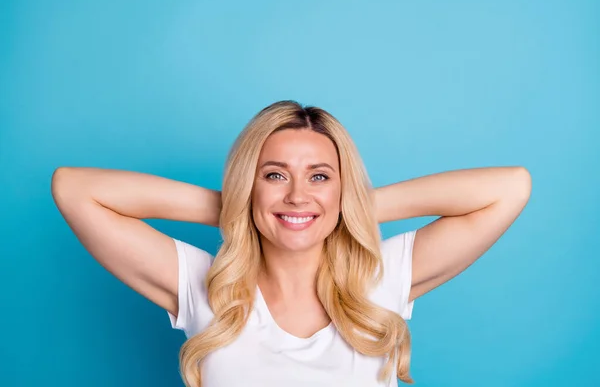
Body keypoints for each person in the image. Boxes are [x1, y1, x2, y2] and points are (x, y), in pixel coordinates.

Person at [51, 100, 531, 387]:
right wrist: (244, 205)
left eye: (320, 176)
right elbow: (75, 189)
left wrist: (344, 207)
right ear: (248, 182)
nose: (298, 194)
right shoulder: (205, 286)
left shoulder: (381, 278)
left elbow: (510, 187)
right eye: (274, 175)